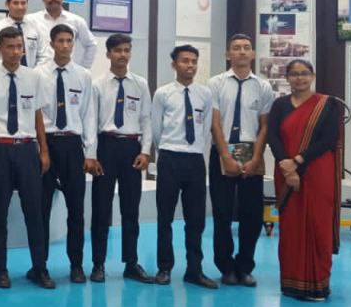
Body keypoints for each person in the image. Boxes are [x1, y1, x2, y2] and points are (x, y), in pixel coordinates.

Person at [0, 26, 52, 289]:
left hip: (27, 150)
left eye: (19, 46)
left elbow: (38, 116)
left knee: (35, 213)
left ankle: (40, 268)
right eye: (10, 47)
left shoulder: (34, 77)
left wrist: (44, 150)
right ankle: (1, 270)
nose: (16, 52)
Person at [268, 59, 344, 302]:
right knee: (291, 227)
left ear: (312, 76)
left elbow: (329, 139)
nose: (299, 78)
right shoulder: (279, 105)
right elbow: (273, 137)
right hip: (285, 172)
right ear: (287, 78)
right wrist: (287, 168)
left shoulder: (328, 105)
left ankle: (317, 284)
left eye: (303, 74)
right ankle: (292, 283)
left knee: (317, 224)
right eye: (293, 74)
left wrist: (298, 161)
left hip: (317, 173)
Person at [209, 33, 275, 287]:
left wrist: (256, 158)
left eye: (247, 48)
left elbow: (265, 126)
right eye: (236, 48)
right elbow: (215, 124)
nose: (242, 52)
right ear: (228, 54)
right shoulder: (215, 83)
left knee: (252, 216)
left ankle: (245, 266)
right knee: (222, 214)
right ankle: (225, 267)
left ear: (253, 54)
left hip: (252, 152)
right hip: (222, 152)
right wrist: (225, 156)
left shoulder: (263, 86)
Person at [151, 45, 217, 289]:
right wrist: (165, 150)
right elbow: (156, 129)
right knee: (165, 218)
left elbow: (206, 128)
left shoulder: (205, 95)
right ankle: (164, 268)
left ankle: (194, 269)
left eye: (193, 61)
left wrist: (198, 153)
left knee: (196, 219)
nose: (190, 65)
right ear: (174, 65)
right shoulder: (163, 93)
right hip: (169, 157)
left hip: (195, 161)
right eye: (185, 61)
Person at [90, 34, 154, 284]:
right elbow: (91, 122)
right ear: (108, 54)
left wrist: (146, 151)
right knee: (101, 210)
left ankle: (131, 262)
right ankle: (98, 263)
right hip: (105, 147)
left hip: (131, 149)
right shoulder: (97, 85)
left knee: (131, 210)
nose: (123, 55)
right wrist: (92, 155)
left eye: (127, 50)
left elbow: (146, 119)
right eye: (117, 50)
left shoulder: (140, 84)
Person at [40, 25, 98, 284]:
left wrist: (90, 152)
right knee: (40, 209)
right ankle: (39, 266)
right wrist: (40, 149)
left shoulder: (84, 76)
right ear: (51, 43)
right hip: (46, 145)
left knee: (76, 210)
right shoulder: (38, 74)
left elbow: (88, 115)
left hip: (74, 147)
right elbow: (35, 115)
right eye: (60, 41)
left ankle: (76, 265)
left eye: (69, 41)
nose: (65, 45)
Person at [28, 0, 98, 69]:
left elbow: (91, 44)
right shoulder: (31, 20)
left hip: (67, 73)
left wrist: (84, 69)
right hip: (40, 73)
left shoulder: (76, 20)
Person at [0, 0, 45, 70]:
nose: (20, 7)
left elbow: (42, 56)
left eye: (23, 3)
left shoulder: (37, 26)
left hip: (32, 78)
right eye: (16, 3)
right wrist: (12, 74)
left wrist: (33, 75)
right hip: (5, 78)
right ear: (7, 4)